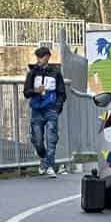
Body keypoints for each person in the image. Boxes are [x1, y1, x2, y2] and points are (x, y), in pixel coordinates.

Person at [23, 42, 64, 177]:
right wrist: (35, 90)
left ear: (47, 57)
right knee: (37, 140)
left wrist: (57, 107)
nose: (39, 60)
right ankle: (44, 159)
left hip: (51, 109)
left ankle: (50, 166)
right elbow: (26, 92)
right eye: (38, 57)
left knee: (51, 138)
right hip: (37, 109)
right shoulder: (32, 73)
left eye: (42, 57)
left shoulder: (56, 73)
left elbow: (62, 93)